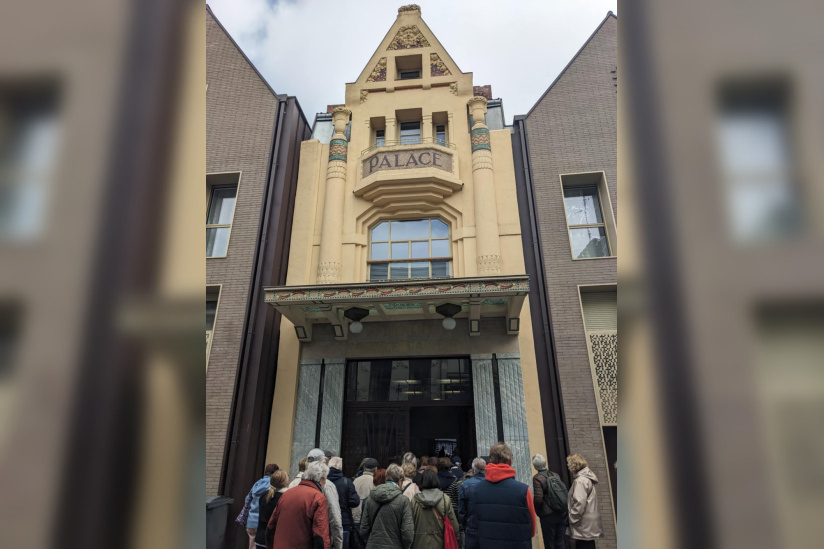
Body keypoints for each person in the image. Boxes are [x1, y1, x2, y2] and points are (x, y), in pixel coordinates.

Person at [469, 443, 536, 548]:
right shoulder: (523, 490)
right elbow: (532, 527)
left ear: (490, 461)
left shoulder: (476, 490)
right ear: (510, 461)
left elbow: (474, 523)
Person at [267, 460, 330, 549]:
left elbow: (270, 527)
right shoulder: (318, 498)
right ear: (321, 479)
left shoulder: (287, 494)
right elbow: (320, 535)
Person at [359, 463, 414, 549]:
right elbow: (407, 534)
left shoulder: (370, 498)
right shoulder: (403, 501)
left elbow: (363, 530)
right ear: (400, 480)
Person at [410, 470, 459, 549]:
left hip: (419, 543)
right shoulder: (445, 499)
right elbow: (455, 526)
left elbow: (409, 525)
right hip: (441, 543)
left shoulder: (415, 500)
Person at [307, 448, 344, 549]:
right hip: (320, 541)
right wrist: (338, 545)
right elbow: (335, 517)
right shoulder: (327, 485)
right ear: (324, 462)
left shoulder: (296, 483)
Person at [566, 454, 604, 549]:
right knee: (589, 544)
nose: (568, 466)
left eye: (569, 464)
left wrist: (571, 517)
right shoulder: (587, 479)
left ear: (573, 465)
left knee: (584, 545)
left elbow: (579, 502)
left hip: (583, 522)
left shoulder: (580, 481)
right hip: (590, 520)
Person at [532, 454, 567, 549]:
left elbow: (538, 499)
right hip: (560, 512)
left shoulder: (537, 478)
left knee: (549, 543)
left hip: (547, 516)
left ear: (535, 466)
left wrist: (539, 511)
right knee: (560, 542)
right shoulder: (555, 475)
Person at [328, 457, 361, 549]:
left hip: (326, 521)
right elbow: (355, 502)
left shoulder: (323, 481)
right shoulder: (346, 482)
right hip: (344, 522)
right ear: (340, 468)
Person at [246, 464, 279, 549]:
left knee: (252, 546)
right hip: (262, 524)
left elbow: (247, 500)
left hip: (250, 522)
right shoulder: (272, 485)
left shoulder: (257, 483)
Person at [457, 457, 486, 549]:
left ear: (473, 470)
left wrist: (462, 526)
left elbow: (461, 510)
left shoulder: (465, 485)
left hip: (471, 526)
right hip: (487, 527)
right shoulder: (491, 484)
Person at [257, 470, 288, 548]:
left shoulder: (264, 495)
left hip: (260, 537)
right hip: (272, 539)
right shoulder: (283, 498)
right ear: (284, 484)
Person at [353, 457, 378, 527]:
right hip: (366, 519)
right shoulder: (374, 481)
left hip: (355, 516)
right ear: (375, 469)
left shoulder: (356, 480)